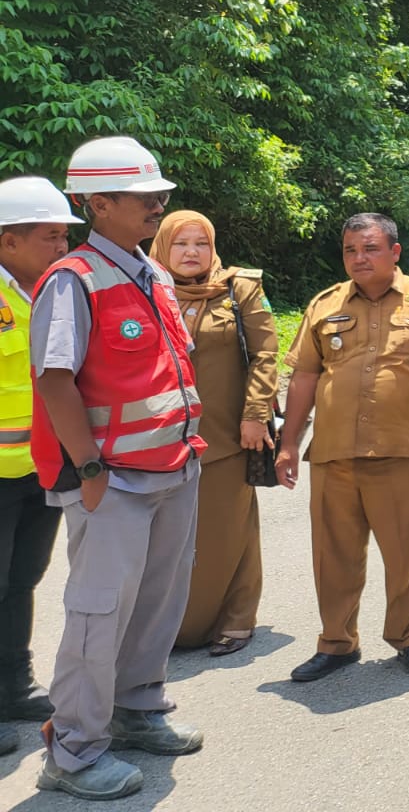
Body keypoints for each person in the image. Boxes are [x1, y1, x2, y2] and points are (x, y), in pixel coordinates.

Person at [31, 137, 207, 800]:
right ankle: (73, 750)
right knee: (96, 616)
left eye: (159, 194)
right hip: (115, 481)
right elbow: (54, 380)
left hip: (172, 470)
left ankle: (136, 709)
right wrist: (90, 468)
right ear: (98, 203)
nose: (158, 205)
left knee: (157, 606)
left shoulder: (151, 274)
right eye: (143, 197)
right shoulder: (72, 280)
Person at [275, 213, 409, 684]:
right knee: (333, 554)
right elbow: (305, 375)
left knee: (403, 552)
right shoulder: (325, 304)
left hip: (400, 448)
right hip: (332, 450)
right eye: (350, 250)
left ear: (395, 252)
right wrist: (290, 443)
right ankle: (336, 642)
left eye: (370, 248)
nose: (359, 258)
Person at [151, 211, 278, 656]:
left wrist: (256, 415)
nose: (191, 252)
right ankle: (174, 625)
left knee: (230, 530)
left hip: (227, 433)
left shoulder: (238, 288)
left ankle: (236, 620)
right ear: (163, 246)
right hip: (161, 439)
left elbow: (265, 354)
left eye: (200, 243)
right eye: (181, 243)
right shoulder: (147, 289)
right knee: (168, 539)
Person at [0, 177, 79, 755]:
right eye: (50, 236)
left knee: (21, 581)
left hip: (40, 469)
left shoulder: (56, 292)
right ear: (8, 242)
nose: (61, 246)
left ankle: (14, 688)